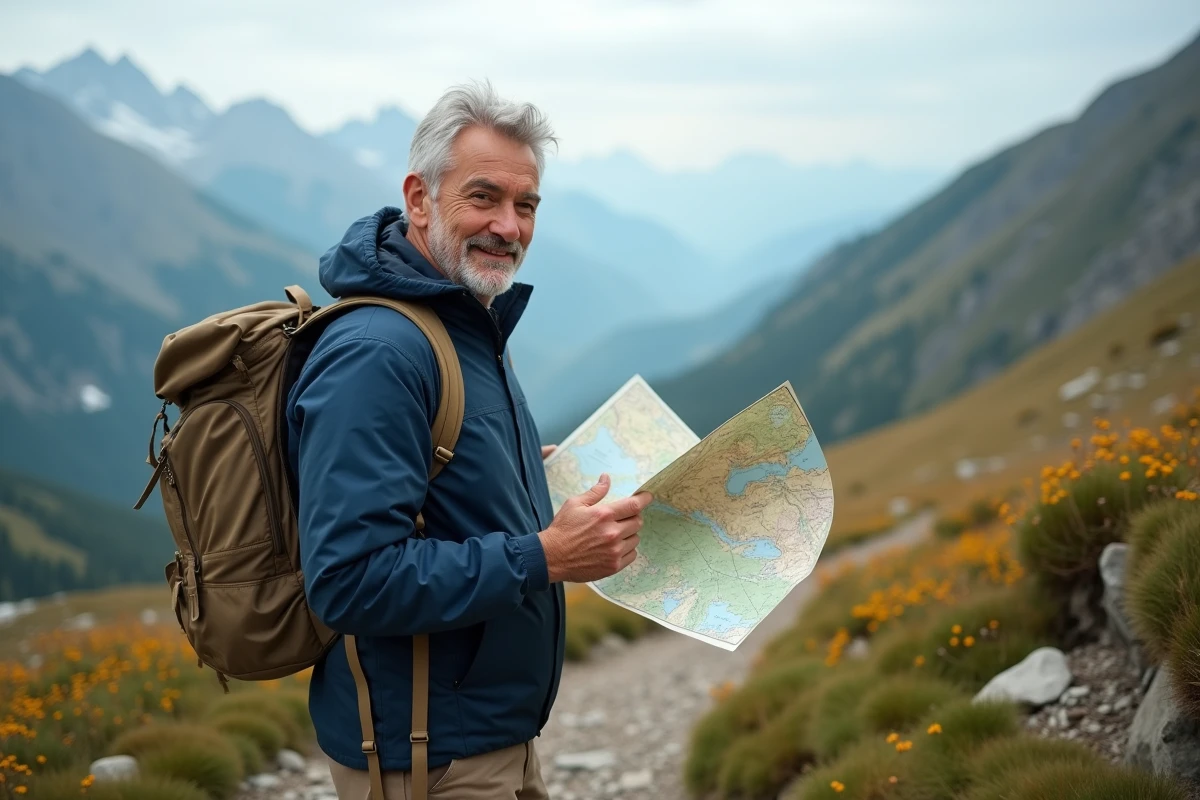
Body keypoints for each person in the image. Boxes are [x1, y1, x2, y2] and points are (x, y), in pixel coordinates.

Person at [284, 80, 653, 799]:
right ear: (419, 199)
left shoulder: (464, 318)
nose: (508, 227)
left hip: (487, 736)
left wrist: (518, 476)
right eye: (483, 197)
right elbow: (349, 579)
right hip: (425, 757)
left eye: (526, 205)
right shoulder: (378, 352)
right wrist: (545, 556)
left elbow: (433, 483)